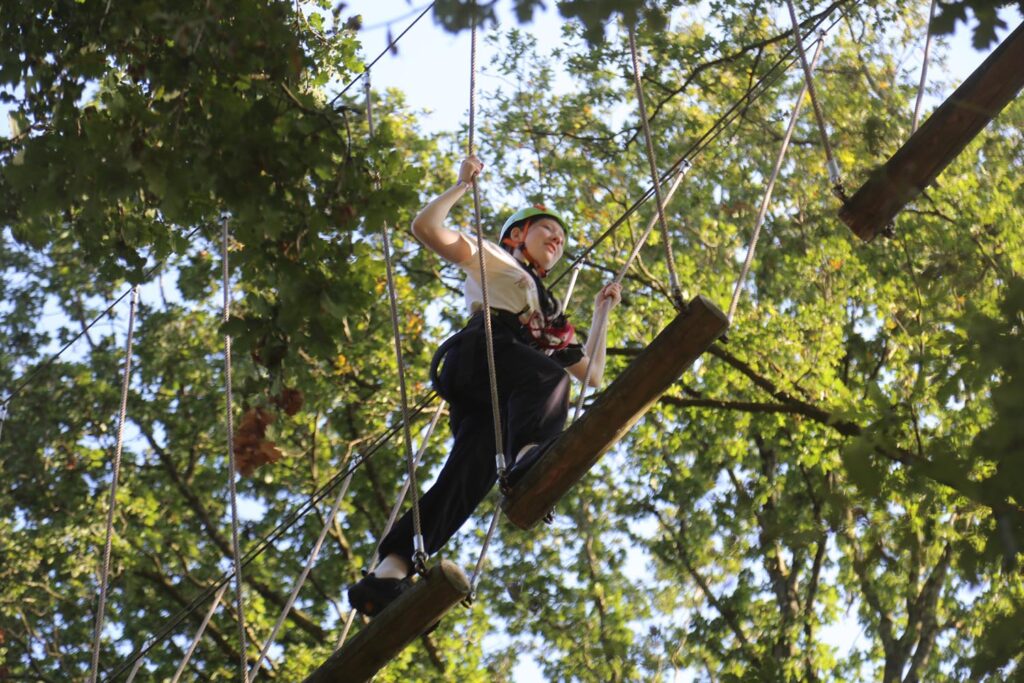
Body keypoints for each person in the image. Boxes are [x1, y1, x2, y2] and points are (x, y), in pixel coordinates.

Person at [347, 155, 621, 616]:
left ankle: (388, 572)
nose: (557, 239)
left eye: (561, 238)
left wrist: (601, 314)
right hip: (482, 350)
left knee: (467, 478)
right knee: (547, 378)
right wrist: (459, 186)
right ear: (516, 235)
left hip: (498, 386)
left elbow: (591, 374)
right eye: (546, 229)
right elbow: (426, 229)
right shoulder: (496, 260)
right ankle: (529, 455)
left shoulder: (548, 316)